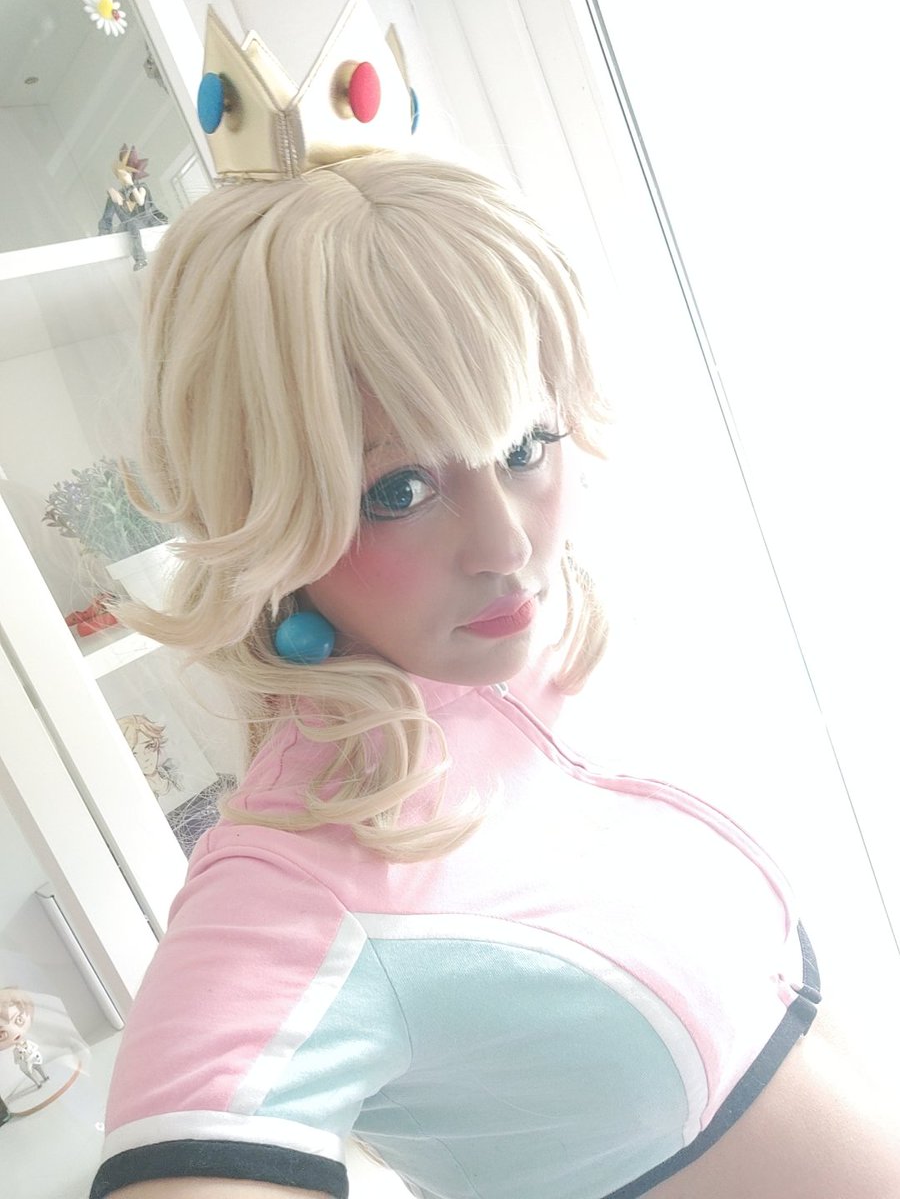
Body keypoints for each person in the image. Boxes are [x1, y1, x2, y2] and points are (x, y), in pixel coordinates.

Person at [85, 143, 900, 1199]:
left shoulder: (546, 663)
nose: (507, 545)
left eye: (524, 445)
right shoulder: (295, 884)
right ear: (268, 510)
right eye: (398, 490)